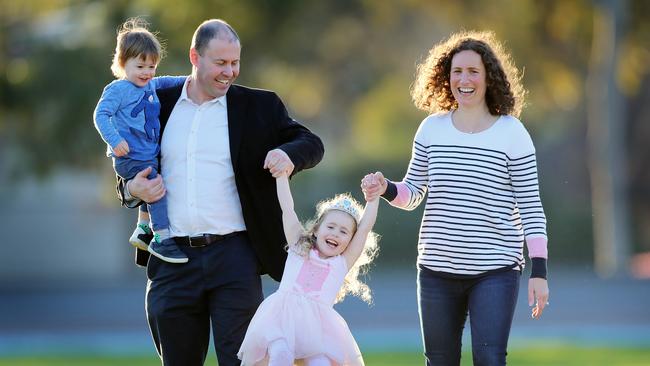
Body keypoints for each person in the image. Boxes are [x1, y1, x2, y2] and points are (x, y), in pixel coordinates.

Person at [117, 19, 324, 366]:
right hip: (171, 260)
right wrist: (131, 189)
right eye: (221, 63)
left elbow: (311, 143)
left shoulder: (258, 106)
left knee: (242, 361)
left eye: (235, 62)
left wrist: (287, 155)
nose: (230, 72)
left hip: (234, 257)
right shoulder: (157, 101)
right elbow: (125, 161)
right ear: (195, 57)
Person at [361, 30, 550, 366]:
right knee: (439, 361)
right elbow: (413, 192)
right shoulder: (431, 129)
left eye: (473, 72)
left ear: (488, 78)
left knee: (489, 358)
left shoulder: (512, 133)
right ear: (446, 78)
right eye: (457, 72)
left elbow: (532, 208)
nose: (464, 80)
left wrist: (539, 272)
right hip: (435, 270)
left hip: (495, 270)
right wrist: (385, 187)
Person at [238, 172, 379, 366]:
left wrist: (373, 198)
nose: (335, 234)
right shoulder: (298, 248)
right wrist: (281, 177)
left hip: (318, 330)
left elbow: (364, 228)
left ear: (349, 241)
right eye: (331, 227)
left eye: (343, 231)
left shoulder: (341, 264)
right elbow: (287, 210)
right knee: (280, 354)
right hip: (282, 321)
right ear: (316, 229)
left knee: (320, 363)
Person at [94, 18, 187, 263]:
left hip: (146, 154)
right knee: (156, 188)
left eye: (151, 66)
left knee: (154, 178)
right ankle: (162, 239)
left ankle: (142, 229)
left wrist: (192, 79)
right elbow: (100, 115)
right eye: (140, 66)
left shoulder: (149, 86)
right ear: (123, 64)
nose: (147, 72)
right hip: (129, 156)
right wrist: (114, 140)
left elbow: (167, 81)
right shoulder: (118, 89)